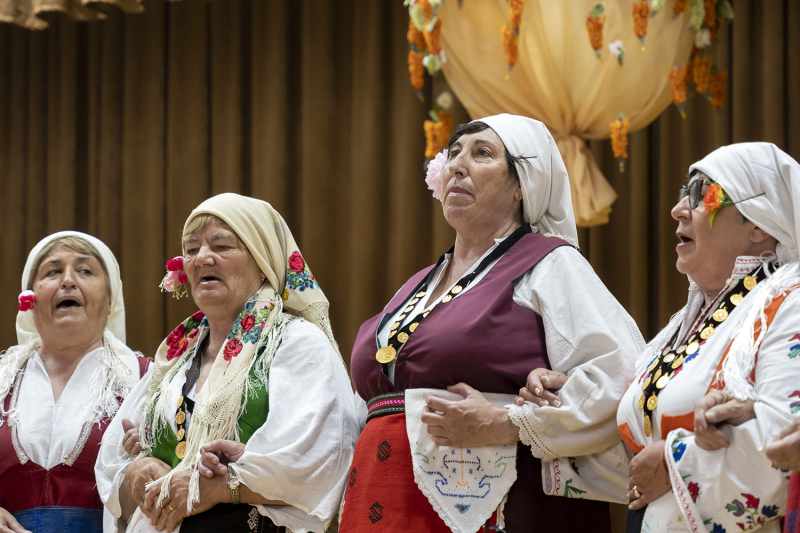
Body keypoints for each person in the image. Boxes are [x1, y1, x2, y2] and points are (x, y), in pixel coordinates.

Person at [339, 114, 645, 532]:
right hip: (382, 501)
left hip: (498, 509)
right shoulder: (417, 286)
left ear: (522, 186)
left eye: (482, 153)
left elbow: (620, 375)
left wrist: (506, 423)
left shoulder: (550, 263)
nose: (457, 165)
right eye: (453, 154)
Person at [95, 193, 358, 533]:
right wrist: (136, 471)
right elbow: (113, 462)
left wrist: (219, 486)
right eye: (191, 250)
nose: (202, 258)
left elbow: (319, 457)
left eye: (221, 246)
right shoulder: (175, 357)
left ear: (262, 262)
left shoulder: (297, 342)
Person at [615, 142, 800, 533]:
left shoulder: (789, 304)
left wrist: (676, 464)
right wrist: (553, 396)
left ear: (759, 224)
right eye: (685, 192)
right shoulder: (693, 319)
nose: (678, 209)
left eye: (702, 194)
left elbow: (786, 446)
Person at [0, 232, 146, 533]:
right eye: (53, 272)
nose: (67, 281)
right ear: (29, 299)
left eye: (85, 271)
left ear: (110, 301)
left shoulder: (149, 381)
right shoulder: (2, 379)